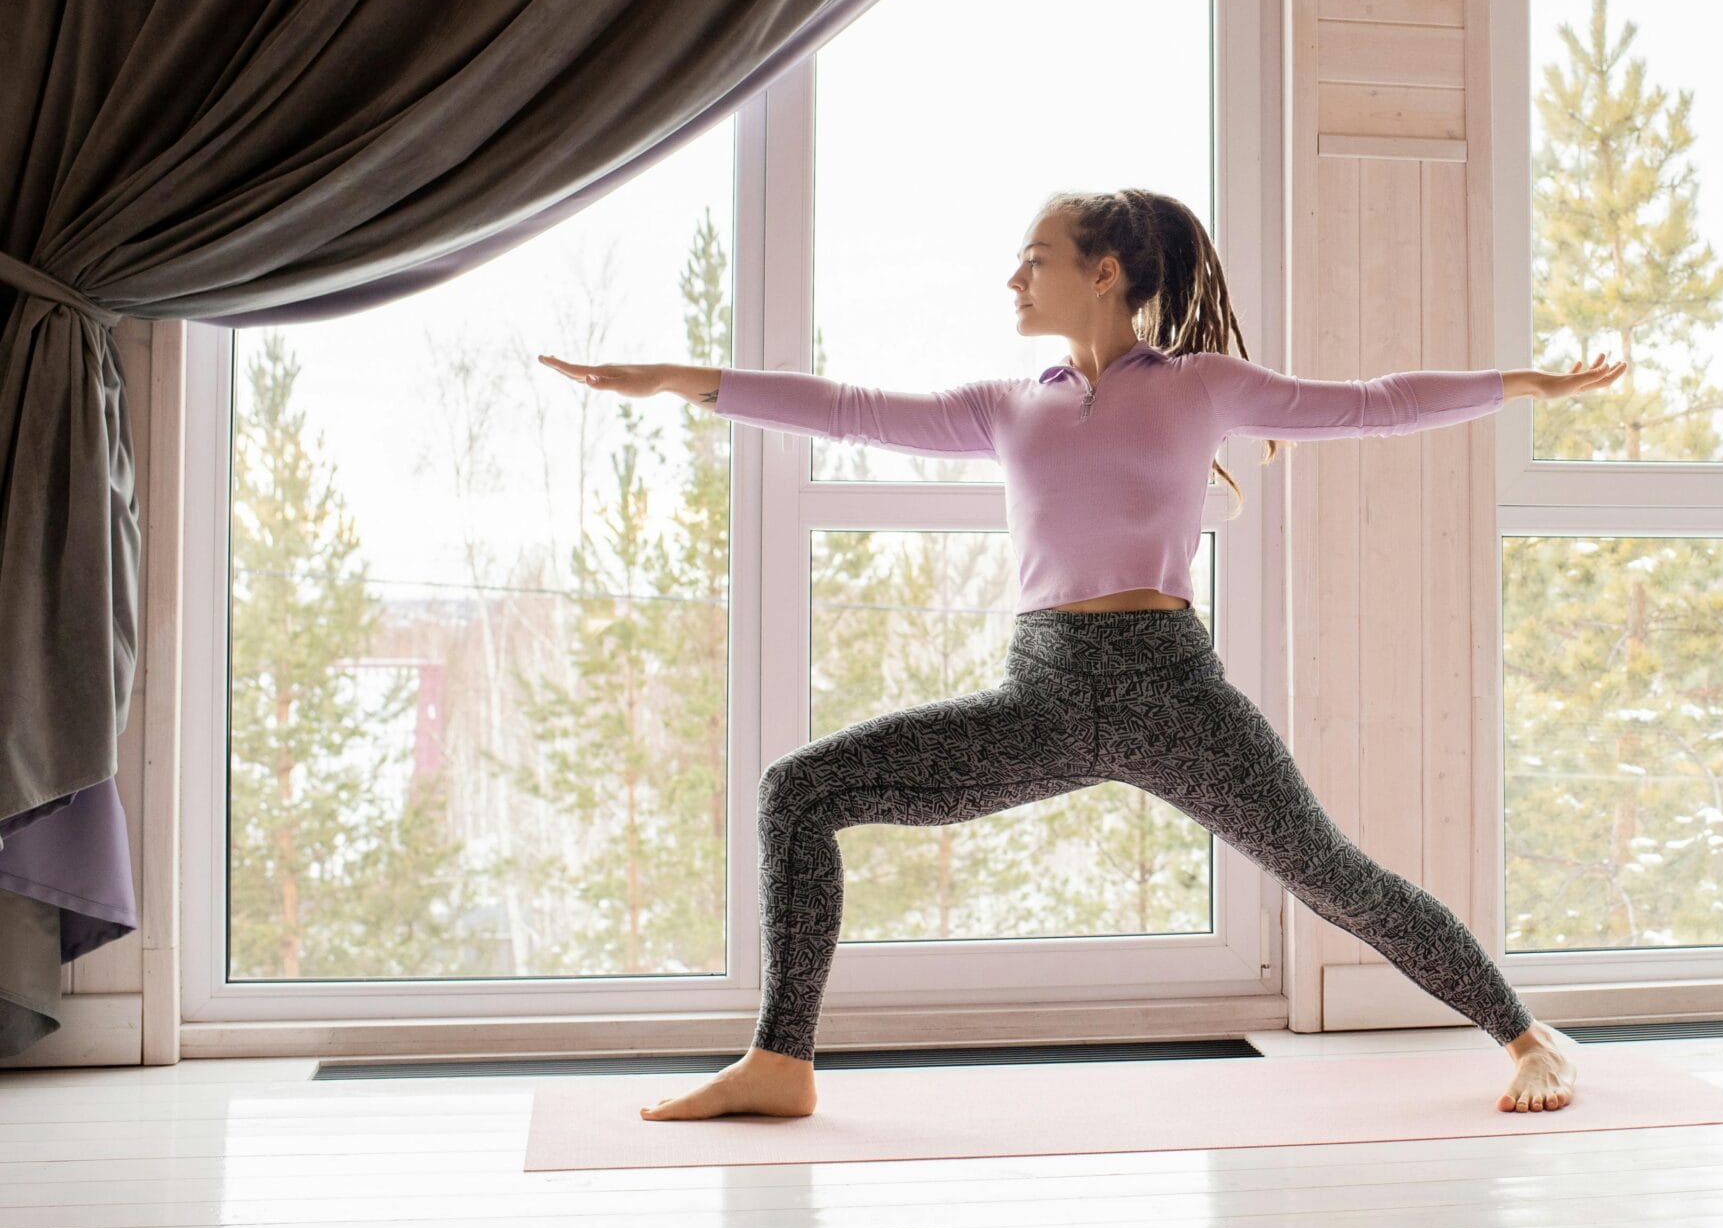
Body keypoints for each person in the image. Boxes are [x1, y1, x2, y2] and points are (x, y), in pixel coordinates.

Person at [538, 187, 1628, 1122]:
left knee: (1335, 876)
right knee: (798, 789)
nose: (1014, 277)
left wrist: (1522, 386)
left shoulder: (1197, 384)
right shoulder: (1008, 407)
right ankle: (781, 1060)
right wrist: (682, 378)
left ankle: (1525, 1034)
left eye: (1035, 259)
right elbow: (845, 408)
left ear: (1104, 273)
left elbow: (1371, 407)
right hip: (1044, 695)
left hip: (1174, 692)